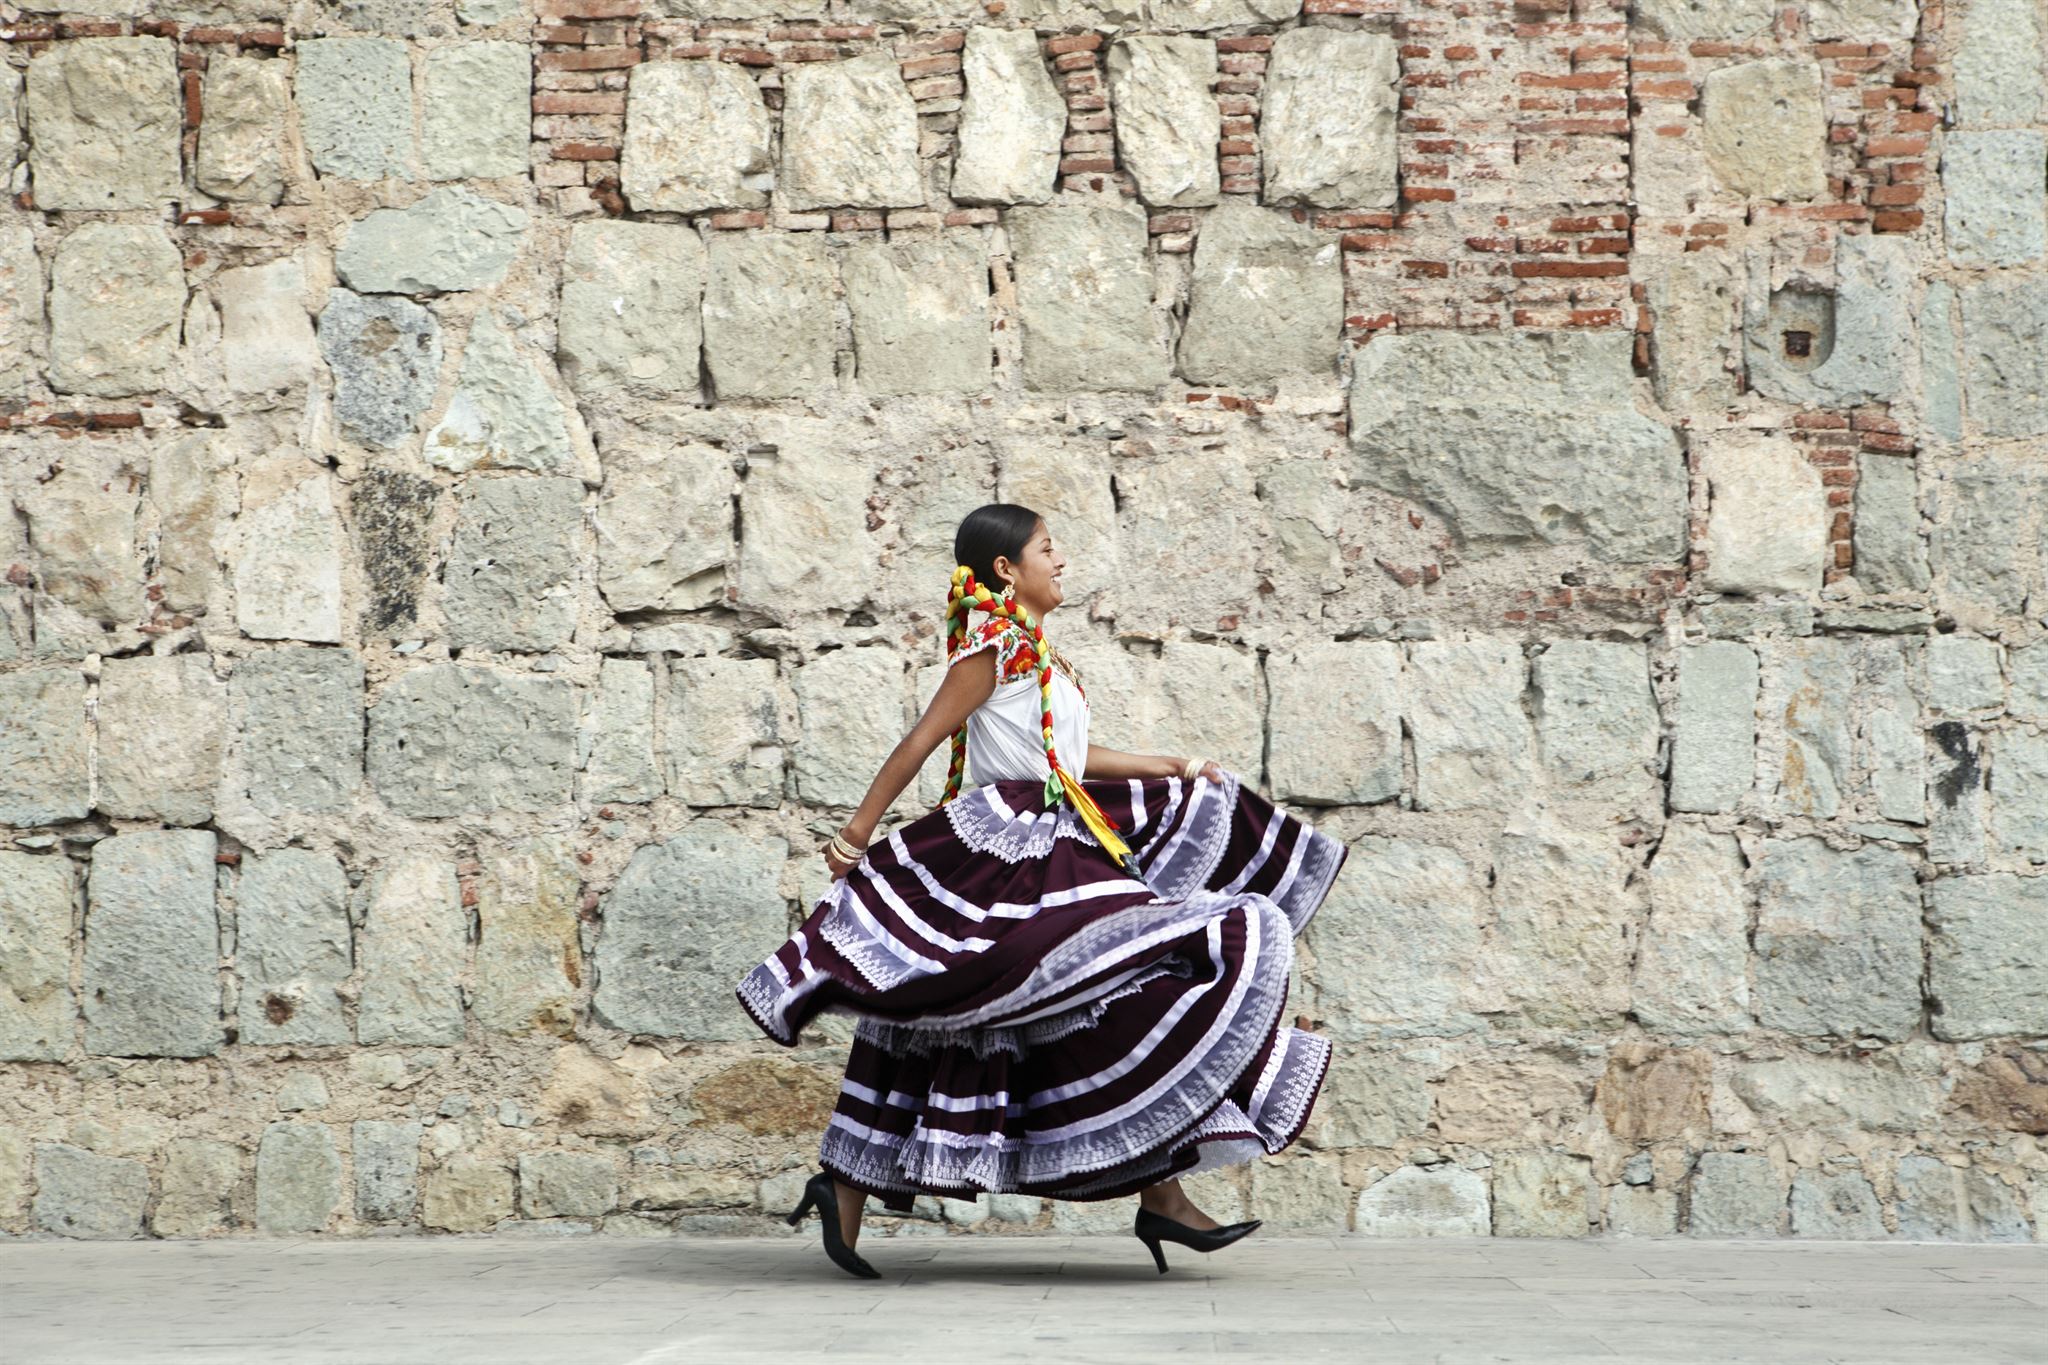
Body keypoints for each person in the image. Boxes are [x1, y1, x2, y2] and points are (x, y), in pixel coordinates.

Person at [735, 502, 1349, 1279]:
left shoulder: (1039, 654)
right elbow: (922, 739)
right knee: (993, 1003)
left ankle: (1153, 1196)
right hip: (1005, 852)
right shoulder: (991, 646)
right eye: (1048, 549)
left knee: (1034, 1003)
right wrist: (853, 837)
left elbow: (1071, 759)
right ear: (1006, 569)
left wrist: (1173, 765)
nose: (1060, 562)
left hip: (1058, 839)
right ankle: (853, 1188)